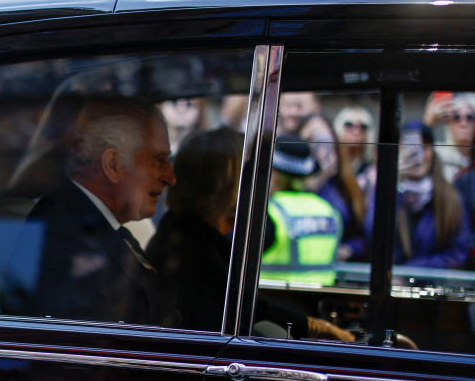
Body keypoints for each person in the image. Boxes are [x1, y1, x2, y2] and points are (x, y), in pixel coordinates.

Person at [148, 128, 352, 340]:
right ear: (220, 187)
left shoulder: (185, 233)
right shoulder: (195, 247)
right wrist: (314, 327)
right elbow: (245, 306)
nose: (252, 189)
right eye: (247, 177)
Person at [24, 97, 180, 327]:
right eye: (158, 160)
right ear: (113, 164)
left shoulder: (92, 225)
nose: (170, 177)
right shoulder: (72, 234)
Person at [368, 122, 469, 269]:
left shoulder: (451, 198)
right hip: (388, 280)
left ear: (433, 153)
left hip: (429, 281)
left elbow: (458, 253)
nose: (418, 154)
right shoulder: (385, 189)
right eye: (410, 147)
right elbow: (371, 233)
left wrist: (408, 273)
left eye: (424, 147)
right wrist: (394, 183)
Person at [261, 134, 343, 285]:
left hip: (273, 296)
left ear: (274, 175)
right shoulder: (328, 210)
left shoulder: (269, 212)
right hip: (321, 297)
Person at [317, 107, 373, 260]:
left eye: (362, 126)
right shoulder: (327, 174)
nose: (356, 131)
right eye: (349, 125)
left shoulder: (371, 173)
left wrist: (351, 248)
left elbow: (365, 230)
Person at [424, 92, 475, 181]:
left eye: (469, 117)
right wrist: (428, 123)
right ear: (449, 122)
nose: (463, 123)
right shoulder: (439, 155)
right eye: (456, 117)